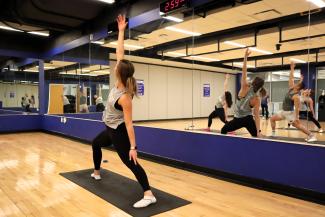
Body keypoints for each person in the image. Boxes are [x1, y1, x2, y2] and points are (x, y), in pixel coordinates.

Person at [91, 14, 156, 208]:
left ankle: (148, 193)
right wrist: (120, 31)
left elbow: (129, 123)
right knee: (95, 143)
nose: (115, 66)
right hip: (110, 128)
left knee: (131, 162)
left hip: (118, 131)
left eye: (117, 67)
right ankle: (96, 172)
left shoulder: (125, 97)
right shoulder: (118, 81)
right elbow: (120, 52)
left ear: (120, 72)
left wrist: (133, 147)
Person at [221, 48, 266, 137]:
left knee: (224, 130)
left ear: (253, 82)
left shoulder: (244, 87)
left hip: (237, 119)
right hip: (248, 119)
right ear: (260, 87)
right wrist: (258, 131)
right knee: (256, 135)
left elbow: (244, 71)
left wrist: (245, 57)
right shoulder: (257, 99)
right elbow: (256, 116)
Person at [270, 62, 317, 142]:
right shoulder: (291, 89)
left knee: (297, 125)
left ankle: (311, 135)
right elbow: (291, 78)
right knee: (272, 119)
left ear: (298, 87)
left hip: (289, 113)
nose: (294, 83)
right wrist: (292, 68)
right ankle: (273, 134)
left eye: (297, 83)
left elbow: (297, 108)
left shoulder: (296, 96)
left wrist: (296, 117)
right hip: (283, 112)